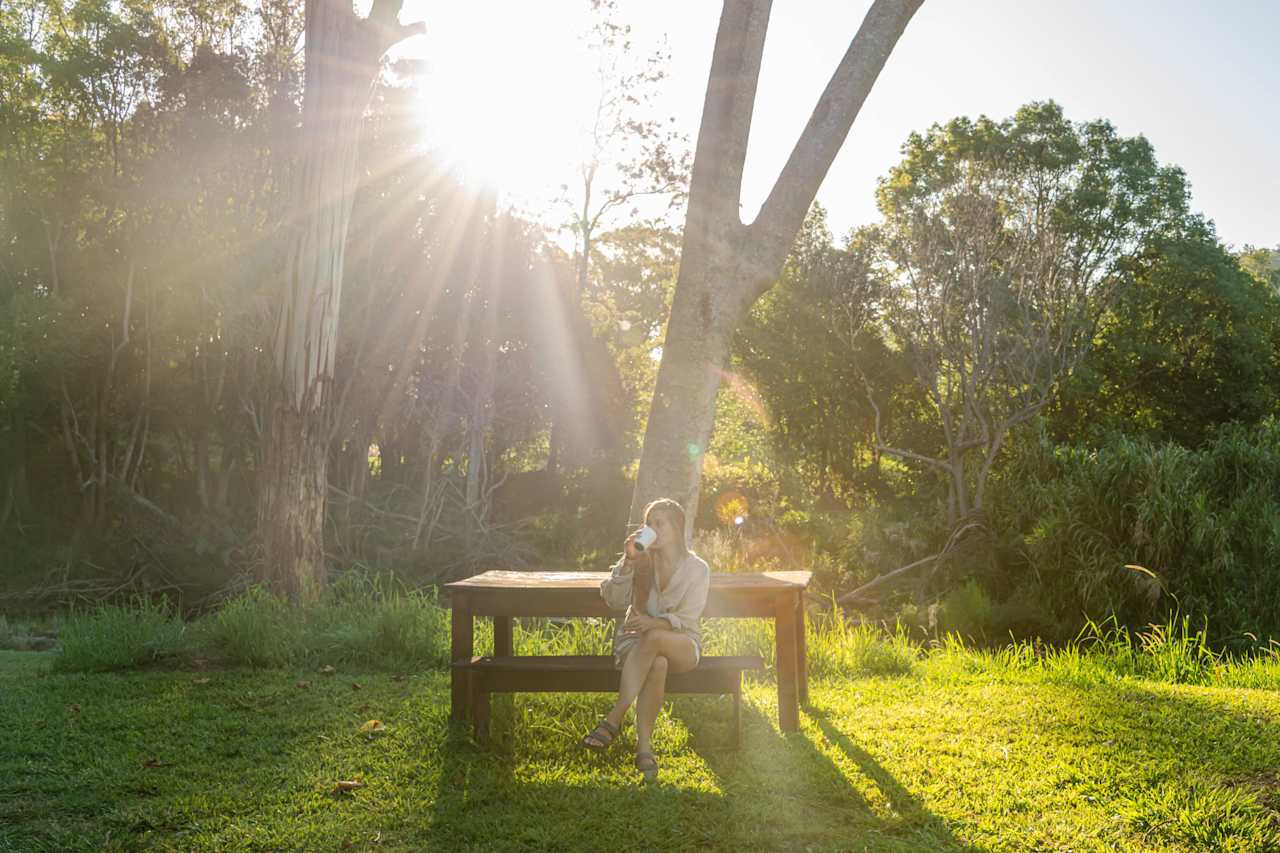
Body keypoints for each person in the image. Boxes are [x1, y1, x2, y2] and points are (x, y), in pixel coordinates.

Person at [580, 498, 710, 783]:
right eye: (648, 524)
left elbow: (688, 619)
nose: (652, 529)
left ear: (676, 528)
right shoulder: (640, 560)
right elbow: (614, 600)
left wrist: (654, 623)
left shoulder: (697, 569)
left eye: (659, 524)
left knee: (656, 642)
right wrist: (628, 559)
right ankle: (644, 750)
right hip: (636, 645)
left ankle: (614, 718)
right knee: (658, 664)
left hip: (682, 644)